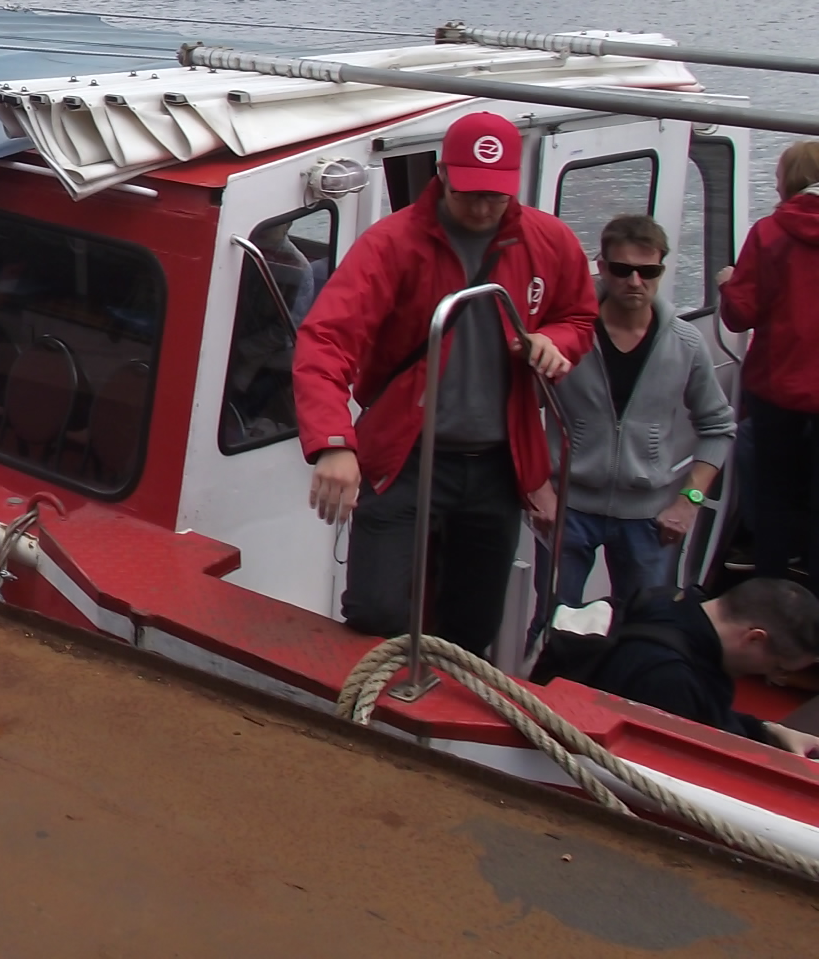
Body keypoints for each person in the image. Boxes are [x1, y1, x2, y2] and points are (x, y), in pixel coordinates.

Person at [294, 111, 597, 655]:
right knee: (376, 609)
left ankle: (440, 722)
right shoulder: (391, 245)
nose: (483, 208)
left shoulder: (550, 241)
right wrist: (334, 443)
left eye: (496, 196)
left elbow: (578, 317)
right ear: (443, 174)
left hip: (497, 465)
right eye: (471, 193)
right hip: (406, 455)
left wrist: (554, 341)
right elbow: (326, 341)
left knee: (473, 623)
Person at [542, 214, 734, 618]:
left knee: (644, 627)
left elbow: (718, 428)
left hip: (647, 519)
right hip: (568, 511)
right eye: (622, 269)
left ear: (661, 269)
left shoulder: (686, 344)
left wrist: (689, 501)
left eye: (648, 271)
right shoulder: (567, 336)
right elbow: (520, 409)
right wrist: (537, 490)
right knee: (552, 626)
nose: (634, 281)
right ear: (601, 266)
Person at [717, 140, 819, 593]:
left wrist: (726, 284)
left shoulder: (770, 233)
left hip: (777, 388)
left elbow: (740, 314)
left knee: (774, 499)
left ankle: (774, 601)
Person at [581, 580, 819, 758]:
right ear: (754, 639)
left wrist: (768, 730)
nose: (773, 679)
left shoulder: (666, 602)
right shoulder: (670, 679)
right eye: (779, 668)